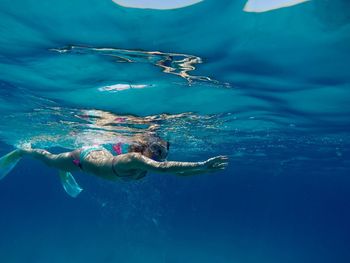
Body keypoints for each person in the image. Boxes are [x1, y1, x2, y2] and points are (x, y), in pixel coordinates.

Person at [0, 135, 228, 198]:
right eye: (156, 151)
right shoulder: (135, 160)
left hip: (97, 159)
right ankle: (24, 150)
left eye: (162, 153)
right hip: (82, 158)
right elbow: (167, 168)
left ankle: (65, 166)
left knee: (56, 162)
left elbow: (178, 174)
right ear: (144, 149)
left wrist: (204, 171)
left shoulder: (149, 163)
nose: (159, 156)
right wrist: (202, 163)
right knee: (48, 160)